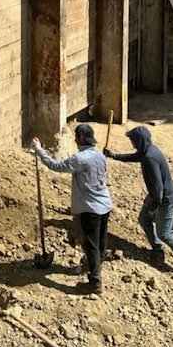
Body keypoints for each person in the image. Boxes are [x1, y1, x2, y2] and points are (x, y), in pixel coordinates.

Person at [105, 127, 173, 281]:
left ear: (140, 141)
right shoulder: (148, 150)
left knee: (165, 233)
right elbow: (133, 157)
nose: (132, 144)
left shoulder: (150, 157)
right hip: (156, 196)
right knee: (143, 220)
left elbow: (158, 187)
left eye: (133, 141)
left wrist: (154, 207)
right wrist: (113, 155)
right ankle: (157, 250)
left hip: (164, 199)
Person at [32, 124, 113, 296]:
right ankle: (94, 267)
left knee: (91, 246)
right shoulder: (100, 156)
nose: (75, 139)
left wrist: (39, 150)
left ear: (81, 138)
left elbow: (55, 166)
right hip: (105, 205)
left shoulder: (79, 159)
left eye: (76, 136)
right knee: (100, 243)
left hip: (90, 209)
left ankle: (95, 283)